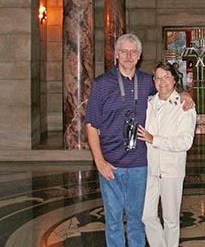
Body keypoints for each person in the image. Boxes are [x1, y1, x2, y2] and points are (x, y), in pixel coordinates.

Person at [84, 34, 194, 247]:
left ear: (139, 56)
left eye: (133, 52)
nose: (128, 56)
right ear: (116, 54)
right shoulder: (101, 84)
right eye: (124, 51)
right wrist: (99, 161)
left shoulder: (146, 82)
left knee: (138, 219)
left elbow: (167, 88)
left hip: (141, 164)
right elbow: (91, 125)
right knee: (113, 220)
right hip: (111, 163)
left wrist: (185, 94)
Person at [138, 61, 197, 247]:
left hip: (172, 170)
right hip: (151, 170)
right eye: (158, 77)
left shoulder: (184, 106)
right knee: (147, 215)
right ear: (153, 81)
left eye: (166, 77)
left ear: (174, 80)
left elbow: (185, 142)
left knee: (171, 220)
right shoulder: (148, 104)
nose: (162, 81)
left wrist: (154, 139)